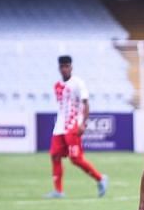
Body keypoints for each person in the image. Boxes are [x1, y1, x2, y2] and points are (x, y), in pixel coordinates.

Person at [45, 55, 108, 198]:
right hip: (59, 126)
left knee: (76, 159)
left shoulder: (78, 83)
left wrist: (83, 123)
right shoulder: (57, 85)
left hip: (73, 125)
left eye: (67, 66)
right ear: (59, 68)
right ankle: (58, 191)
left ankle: (100, 178)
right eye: (62, 66)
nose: (65, 69)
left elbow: (85, 104)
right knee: (54, 156)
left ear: (71, 67)